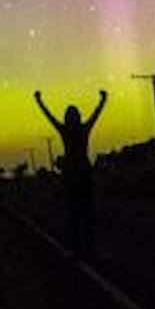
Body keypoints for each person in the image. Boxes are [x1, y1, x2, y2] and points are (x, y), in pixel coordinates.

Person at [35, 88, 107, 259]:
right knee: (85, 215)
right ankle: (88, 250)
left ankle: (78, 250)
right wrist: (103, 100)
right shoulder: (83, 130)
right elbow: (96, 114)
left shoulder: (66, 131)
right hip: (82, 176)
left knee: (75, 215)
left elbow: (49, 116)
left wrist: (39, 101)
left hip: (74, 177)